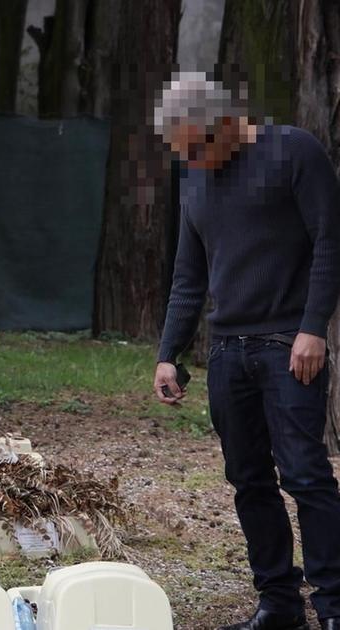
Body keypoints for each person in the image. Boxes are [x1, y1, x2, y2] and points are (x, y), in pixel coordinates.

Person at [154, 72, 340, 630]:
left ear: (227, 124)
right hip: (229, 351)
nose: (195, 160)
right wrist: (169, 351)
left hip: (290, 345)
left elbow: (331, 240)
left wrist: (314, 328)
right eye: (185, 152)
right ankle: (278, 604)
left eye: (199, 147)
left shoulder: (294, 152)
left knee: (305, 474)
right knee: (248, 477)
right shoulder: (194, 177)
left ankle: (333, 606)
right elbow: (189, 274)